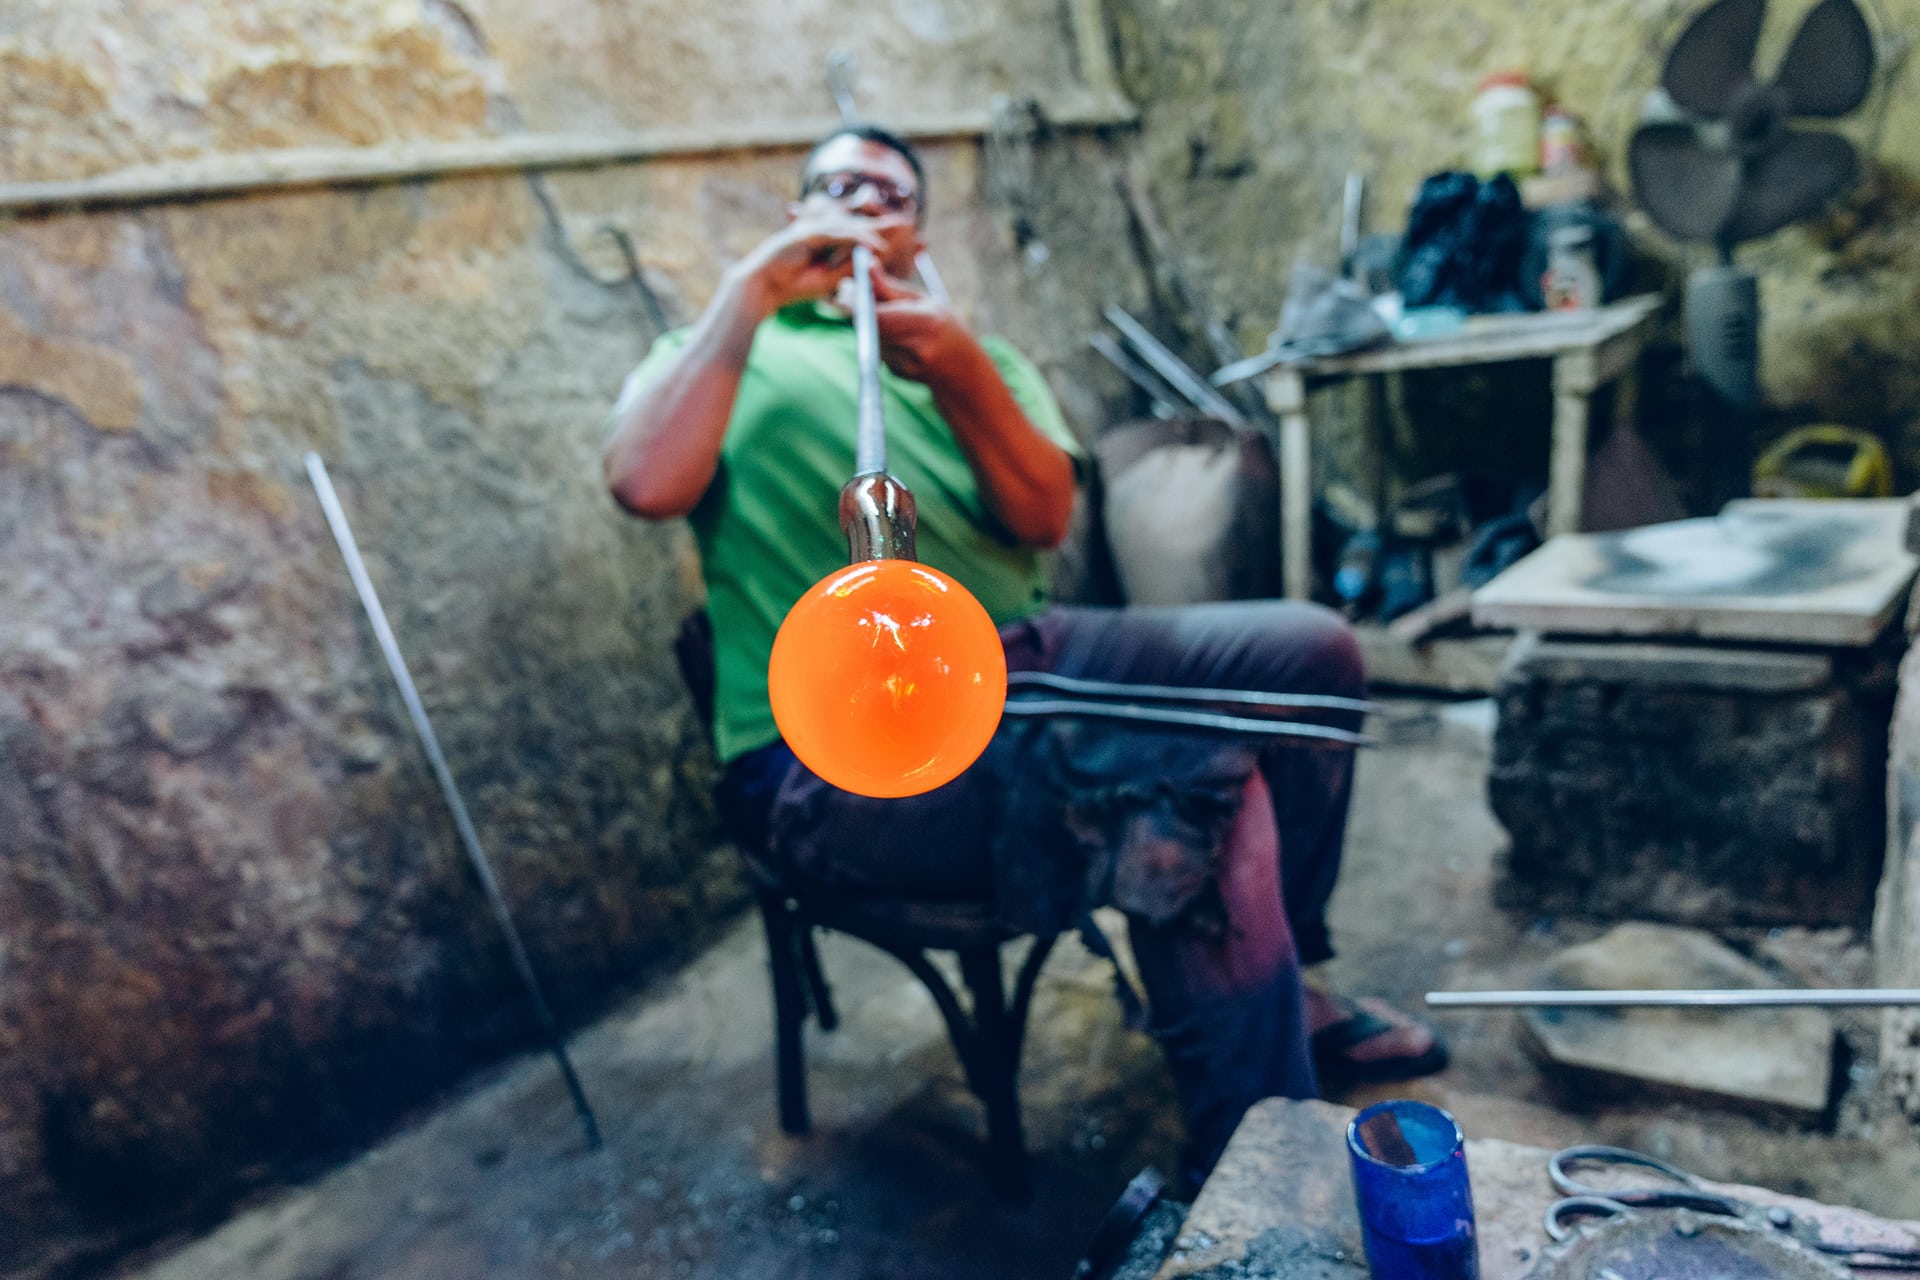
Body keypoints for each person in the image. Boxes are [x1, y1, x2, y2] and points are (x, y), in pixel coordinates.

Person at [602, 124, 1445, 1189]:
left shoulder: (975, 356)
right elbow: (644, 482)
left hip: (1020, 658)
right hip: (832, 745)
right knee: (1193, 778)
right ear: (794, 214)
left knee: (1312, 652)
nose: (863, 204)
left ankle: (1284, 976)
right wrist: (749, 291)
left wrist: (958, 366)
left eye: (890, 195)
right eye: (838, 186)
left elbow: (1043, 517)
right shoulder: (722, 346)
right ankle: (1256, 1182)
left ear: (917, 235)